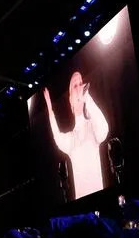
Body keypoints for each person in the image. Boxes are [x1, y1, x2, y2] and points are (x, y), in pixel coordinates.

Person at [44, 71, 109, 199]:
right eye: (75, 86)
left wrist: (87, 98)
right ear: (70, 99)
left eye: (80, 83)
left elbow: (103, 129)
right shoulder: (71, 140)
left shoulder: (92, 126)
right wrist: (50, 111)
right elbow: (58, 138)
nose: (79, 87)